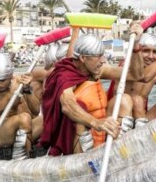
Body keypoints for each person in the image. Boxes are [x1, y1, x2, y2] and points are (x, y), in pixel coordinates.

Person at [36, 23, 145, 157]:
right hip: (78, 144)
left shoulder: (98, 70)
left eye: (102, 55)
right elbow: (68, 106)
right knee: (79, 109)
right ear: (83, 58)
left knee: (124, 100)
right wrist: (96, 123)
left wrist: (136, 46)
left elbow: (136, 75)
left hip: (104, 137)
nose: (102, 61)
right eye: (98, 56)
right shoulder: (63, 75)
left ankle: (119, 153)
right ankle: (85, 161)